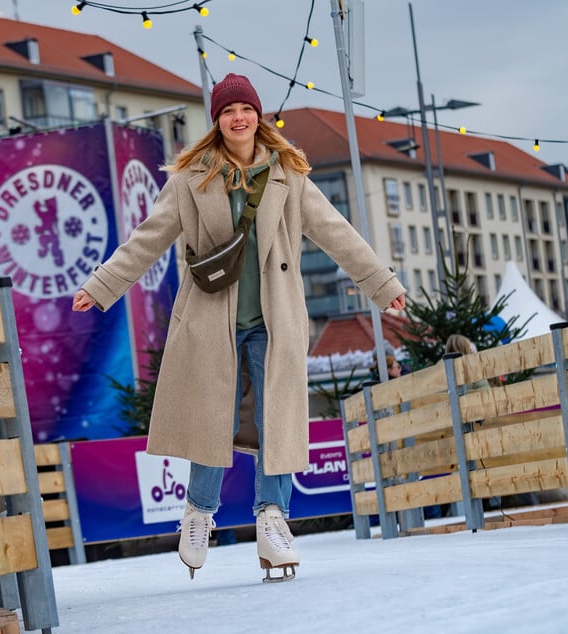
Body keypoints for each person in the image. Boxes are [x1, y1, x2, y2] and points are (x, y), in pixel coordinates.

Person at [72, 73, 406, 582]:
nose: (239, 118)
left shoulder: (287, 176)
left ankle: (272, 521)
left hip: (274, 320)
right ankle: (199, 514)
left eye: (246, 109)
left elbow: (335, 231)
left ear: (259, 116)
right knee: (214, 417)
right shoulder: (190, 179)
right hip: (211, 320)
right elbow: (148, 238)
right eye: (228, 112)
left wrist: (381, 285)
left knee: (276, 419)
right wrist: (102, 286)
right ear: (218, 121)